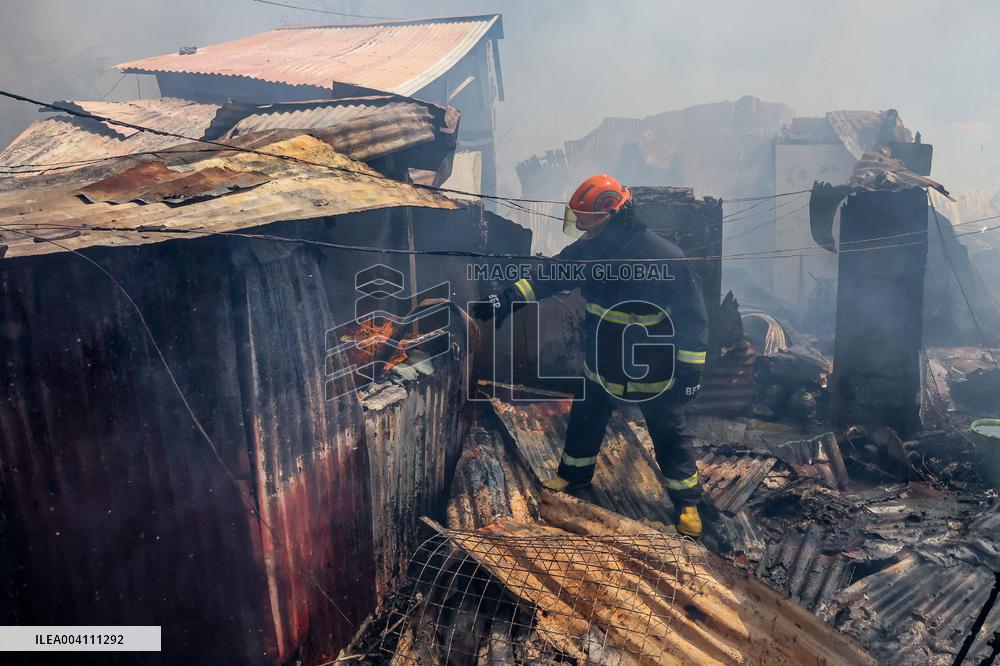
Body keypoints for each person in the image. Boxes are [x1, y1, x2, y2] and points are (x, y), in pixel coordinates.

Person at [473, 174, 709, 537]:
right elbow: (551, 275)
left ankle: (688, 503)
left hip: (652, 367)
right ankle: (573, 476)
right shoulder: (590, 250)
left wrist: (690, 373)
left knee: (669, 433)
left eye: (587, 220)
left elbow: (692, 318)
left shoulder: (666, 257)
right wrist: (507, 298)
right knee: (585, 420)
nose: (582, 227)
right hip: (602, 362)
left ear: (611, 213)